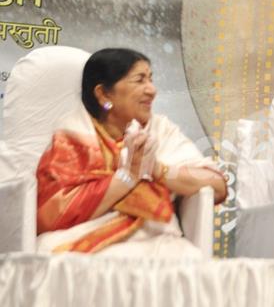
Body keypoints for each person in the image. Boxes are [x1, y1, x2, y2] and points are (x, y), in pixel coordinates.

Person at [35, 48, 227, 256]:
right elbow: (50, 214)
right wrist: (127, 178)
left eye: (151, 79)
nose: (152, 90)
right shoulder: (74, 136)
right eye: (139, 80)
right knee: (48, 253)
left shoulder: (160, 131)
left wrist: (157, 169)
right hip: (80, 235)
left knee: (185, 258)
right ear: (104, 94)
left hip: (154, 239)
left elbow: (216, 184)